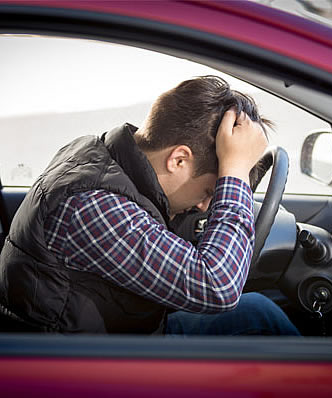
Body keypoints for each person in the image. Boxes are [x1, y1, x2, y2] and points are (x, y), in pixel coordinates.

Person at [0, 76, 299, 336]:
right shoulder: (92, 205)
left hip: (122, 330)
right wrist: (233, 174)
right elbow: (218, 287)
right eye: (210, 190)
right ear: (178, 160)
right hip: (87, 366)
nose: (207, 205)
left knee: (259, 312)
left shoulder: (105, 156)